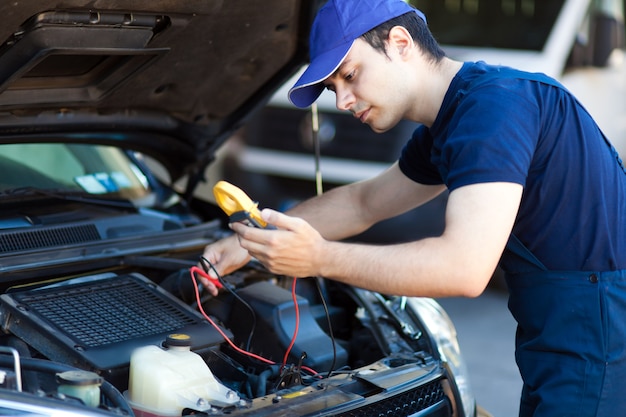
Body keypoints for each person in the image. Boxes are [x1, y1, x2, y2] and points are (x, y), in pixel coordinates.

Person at [201, 0, 626, 415]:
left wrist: (317, 258)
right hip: (559, 330)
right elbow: (363, 202)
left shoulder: (494, 108)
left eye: (350, 75)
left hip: (597, 330)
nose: (342, 101)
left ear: (400, 43)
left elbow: (464, 268)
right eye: (334, 88)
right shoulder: (455, 117)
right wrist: (250, 241)